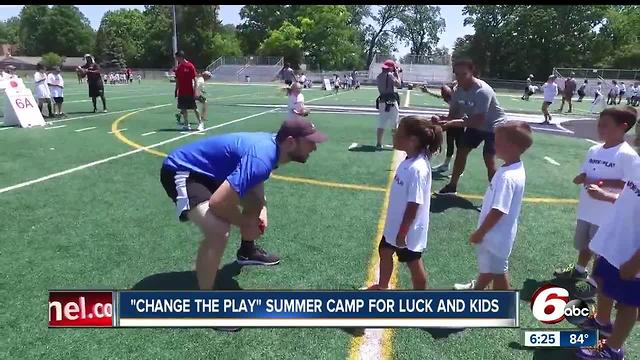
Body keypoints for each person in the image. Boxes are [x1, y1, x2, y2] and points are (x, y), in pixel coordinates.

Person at [159, 118, 327, 293]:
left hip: (213, 172)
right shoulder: (263, 156)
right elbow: (218, 203)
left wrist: (262, 208)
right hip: (184, 170)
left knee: (256, 202)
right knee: (218, 229)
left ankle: (247, 251)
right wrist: (246, 223)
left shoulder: (274, 147)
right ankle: (205, 298)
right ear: (291, 142)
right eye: (310, 143)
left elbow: (255, 177)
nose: (314, 148)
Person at [576, 107, 640, 360]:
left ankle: (613, 348)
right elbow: (628, 197)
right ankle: (602, 320)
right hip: (615, 238)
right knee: (603, 282)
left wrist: (635, 261)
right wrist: (608, 196)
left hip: (633, 252)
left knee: (628, 303)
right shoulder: (638, 164)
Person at [554, 106, 638, 283]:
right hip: (587, 209)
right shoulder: (594, 150)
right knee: (583, 245)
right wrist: (582, 177)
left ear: (623, 127)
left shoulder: (628, 155)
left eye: (605, 125)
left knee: (600, 250)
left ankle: (594, 283)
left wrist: (600, 184)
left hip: (606, 213)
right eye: (599, 124)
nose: (600, 128)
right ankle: (579, 270)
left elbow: (630, 185)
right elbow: (587, 173)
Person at [365, 116, 442, 291]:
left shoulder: (418, 168)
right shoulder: (410, 159)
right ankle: (383, 287)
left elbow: (414, 204)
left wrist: (403, 232)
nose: (394, 135)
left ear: (412, 140)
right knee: (384, 251)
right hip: (395, 225)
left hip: (407, 231)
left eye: (397, 132)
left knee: (413, 262)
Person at [453, 121, 532, 290]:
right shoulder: (512, 168)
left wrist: (480, 232)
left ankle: (504, 308)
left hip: (496, 235)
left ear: (513, 146)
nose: (494, 144)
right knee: (490, 268)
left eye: (498, 141)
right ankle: (477, 290)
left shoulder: (507, 177)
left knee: (499, 272)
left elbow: (499, 210)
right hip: (499, 234)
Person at [437, 59, 507, 196]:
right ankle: (452, 186)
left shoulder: (482, 91)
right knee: (461, 150)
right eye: (456, 74)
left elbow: (478, 121)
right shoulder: (457, 90)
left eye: (464, 74)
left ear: (472, 72)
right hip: (474, 123)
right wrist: (441, 121)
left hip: (494, 125)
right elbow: (453, 115)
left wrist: (452, 123)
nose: (460, 77)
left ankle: (497, 196)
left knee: (489, 158)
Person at [423, 85, 465, 173]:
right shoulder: (452, 97)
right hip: (452, 124)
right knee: (450, 145)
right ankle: (446, 165)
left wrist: (444, 119)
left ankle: (459, 169)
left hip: (458, 125)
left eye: (445, 95)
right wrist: (428, 92)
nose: (444, 98)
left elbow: (460, 116)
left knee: (460, 149)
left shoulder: (459, 99)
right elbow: (439, 96)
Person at [375, 60, 402, 150]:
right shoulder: (390, 75)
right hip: (391, 102)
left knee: (381, 123)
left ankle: (379, 143)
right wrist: (397, 73)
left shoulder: (379, 76)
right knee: (394, 124)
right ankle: (395, 144)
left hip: (382, 101)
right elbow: (399, 84)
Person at [174, 50, 203, 131]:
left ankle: (200, 123)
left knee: (194, 108)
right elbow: (177, 80)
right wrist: (176, 90)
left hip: (190, 91)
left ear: (181, 57)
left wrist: (195, 91)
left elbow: (195, 79)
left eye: (177, 58)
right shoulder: (179, 68)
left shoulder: (190, 66)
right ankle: (186, 124)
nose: (176, 59)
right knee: (183, 108)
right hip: (181, 92)